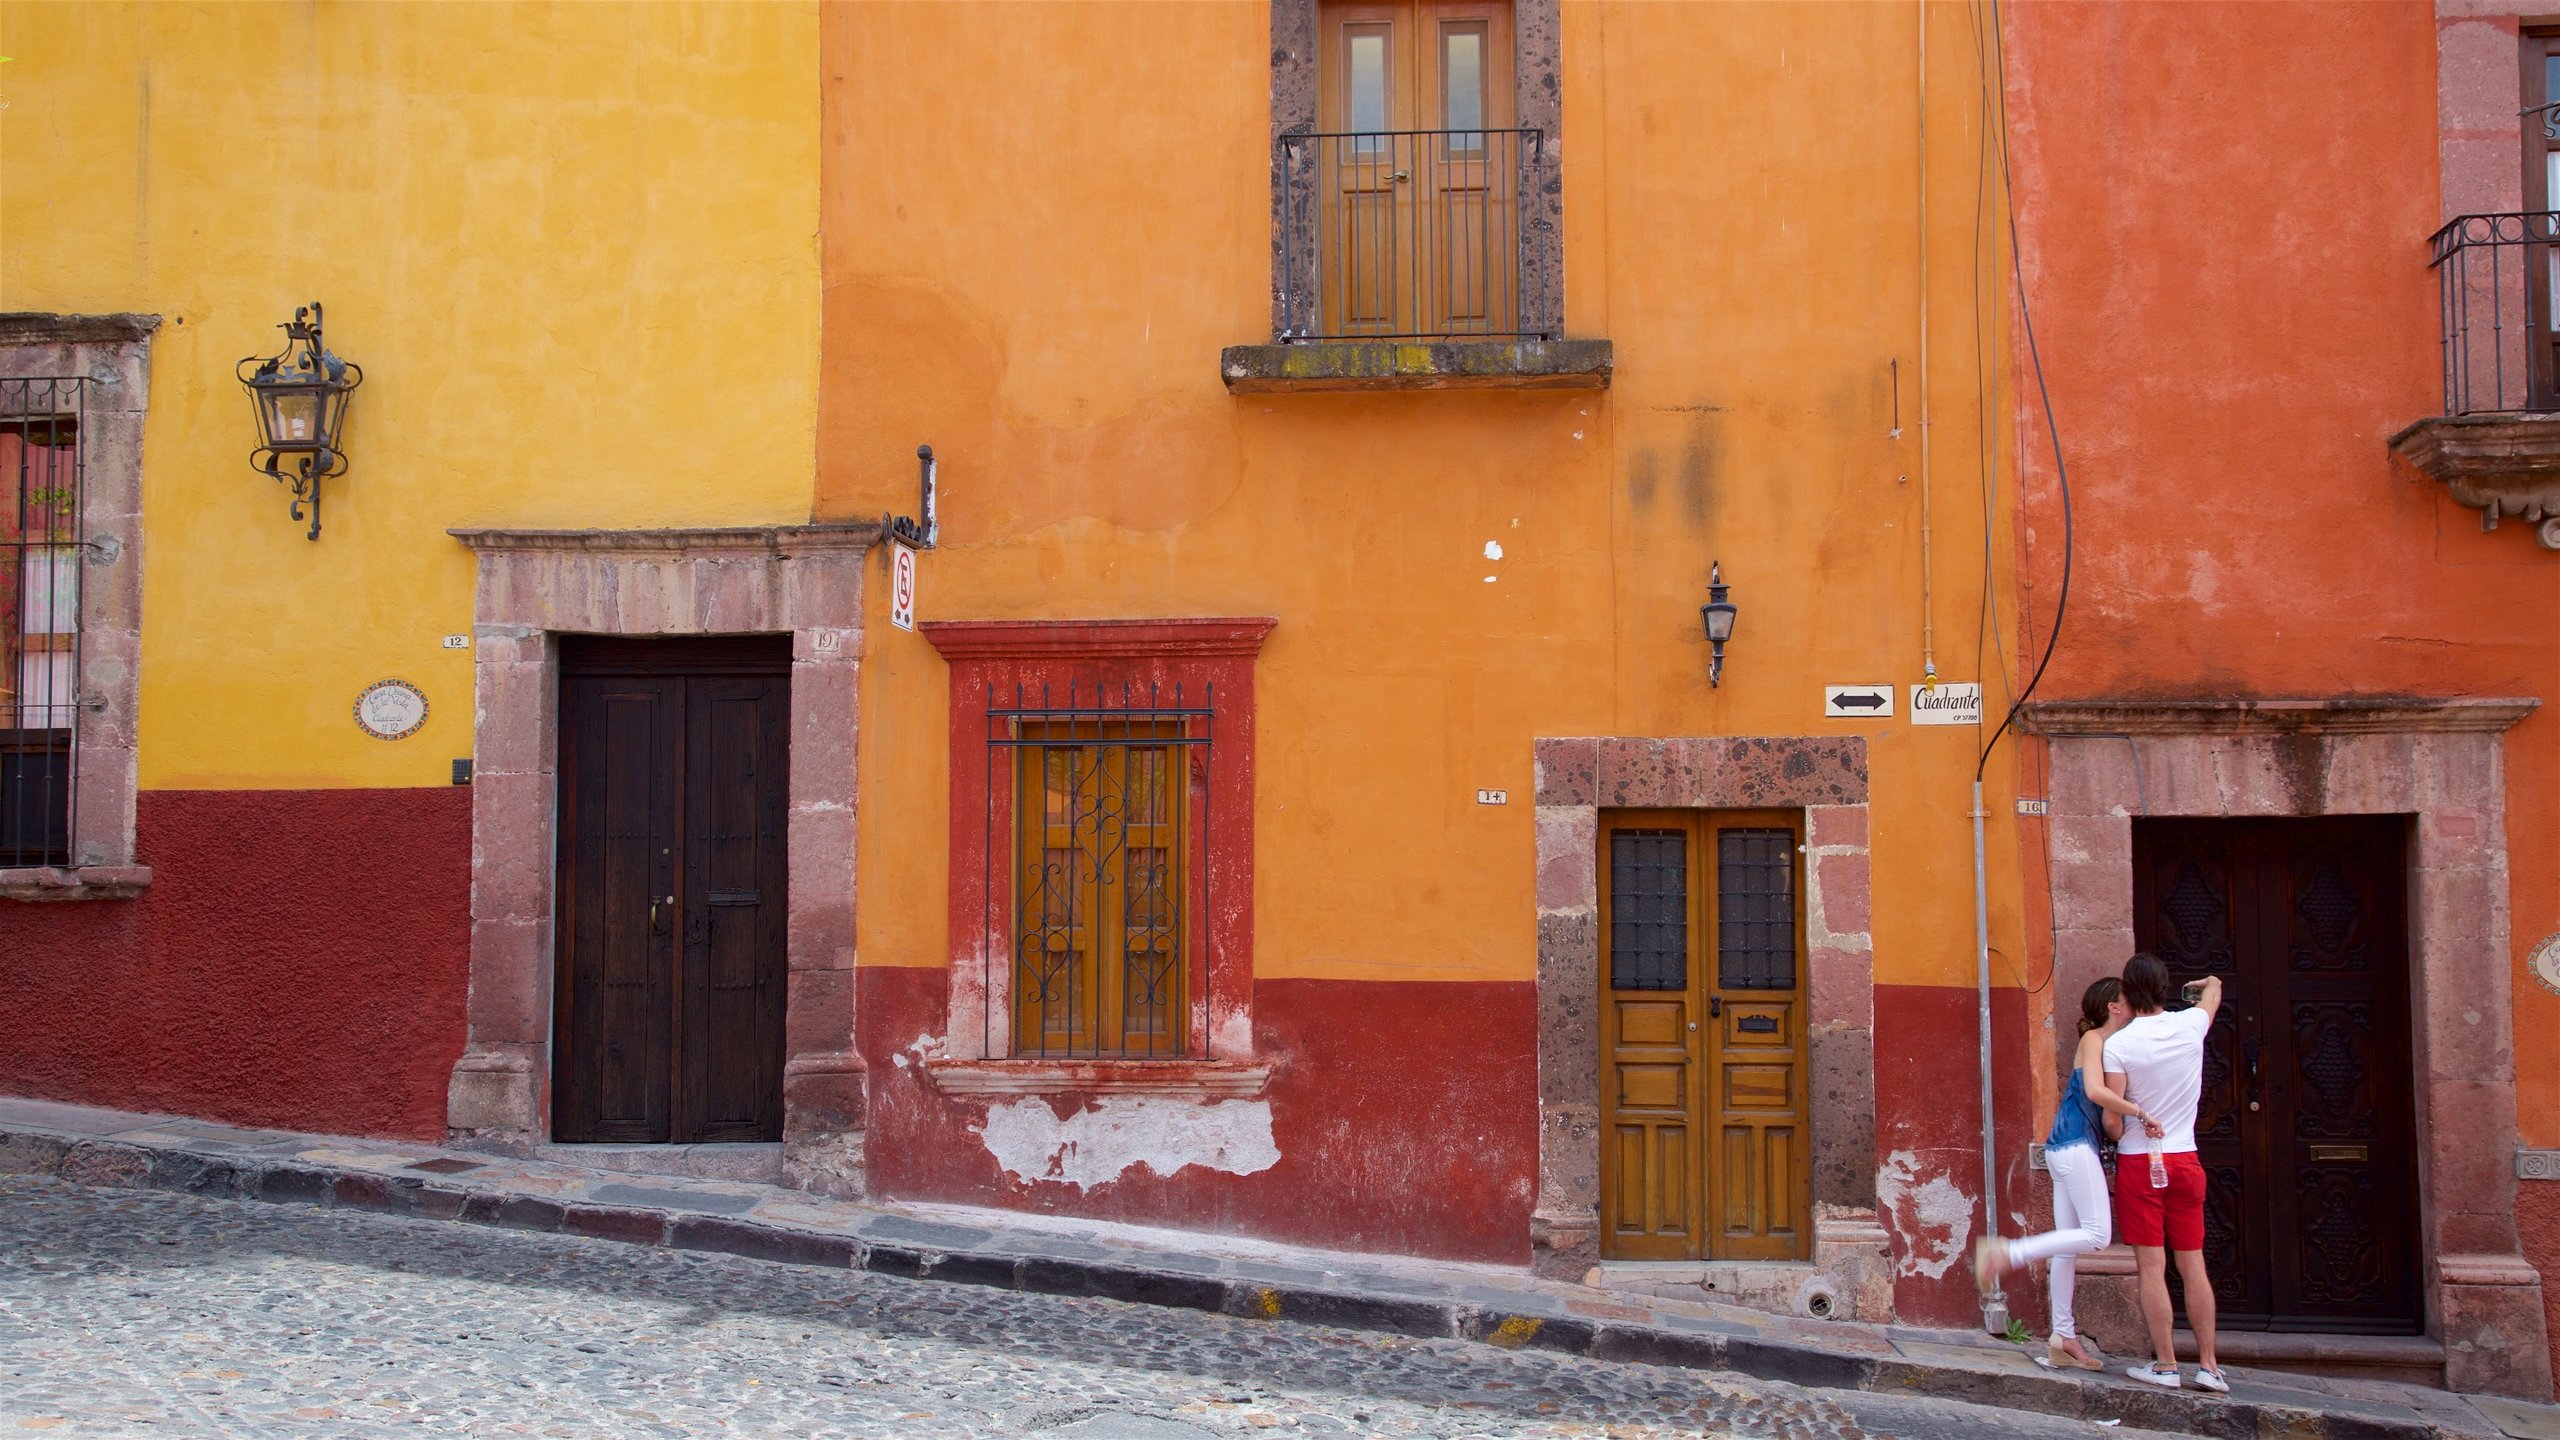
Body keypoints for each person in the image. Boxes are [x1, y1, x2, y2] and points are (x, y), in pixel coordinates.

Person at [1973, 977, 2161, 1371]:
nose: (2133, 1005)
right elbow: (2094, 1092)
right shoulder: (2096, 1039)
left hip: (2067, 1147)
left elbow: (2106, 1118)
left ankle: (2063, 1337)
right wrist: (2140, 1112)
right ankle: (2009, 1252)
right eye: (2128, 1000)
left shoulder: (2106, 1044)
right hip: (2073, 1146)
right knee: (2097, 1236)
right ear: (2114, 1006)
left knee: (2067, 1249)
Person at [2105, 953, 2226, 1392]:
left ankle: (2166, 1364)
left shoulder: (2119, 1044)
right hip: (2185, 1158)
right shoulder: (2190, 1025)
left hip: (2141, 1161)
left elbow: (2113, 1119)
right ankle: (2210, 1366)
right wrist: (2205, 981)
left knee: (2151, 1268)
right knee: (2193, 1265)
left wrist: (2118, 1131)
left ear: (2127, 991)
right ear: (2164, 988)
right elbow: (2213, 990)